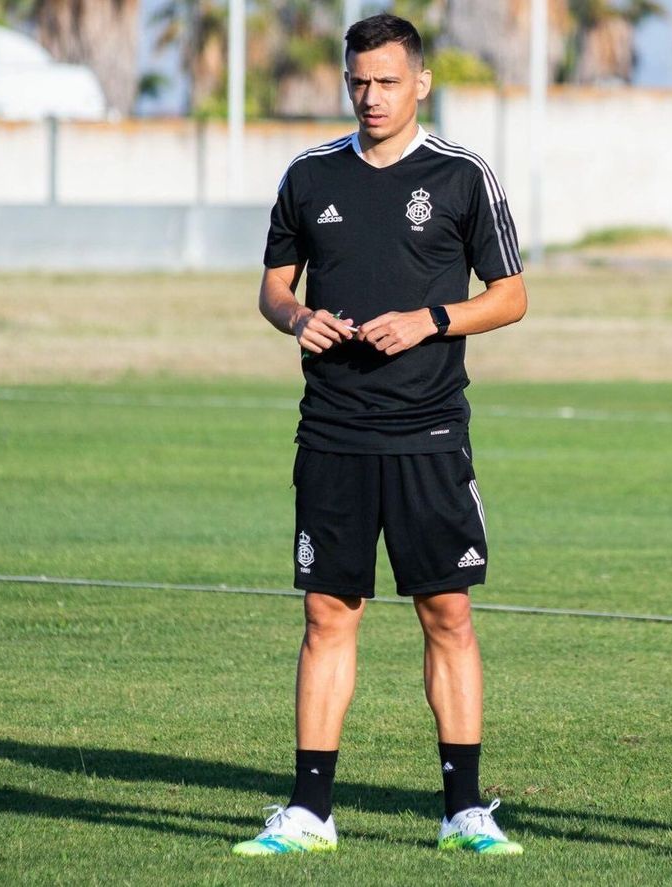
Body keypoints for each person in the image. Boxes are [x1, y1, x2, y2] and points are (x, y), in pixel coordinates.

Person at [234, 13, 526, 857]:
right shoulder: (309, 175)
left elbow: (510, 296)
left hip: (429, 432)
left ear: (420, 84)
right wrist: (298, 318)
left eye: (388, 81)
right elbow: (273, 288)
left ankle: (464, 811)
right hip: (332, 431)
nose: (371, 96)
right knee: (329, 612)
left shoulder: (463, 175)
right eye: (359, 81)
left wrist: (431, 318)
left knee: (447, 613)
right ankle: (309, 812)